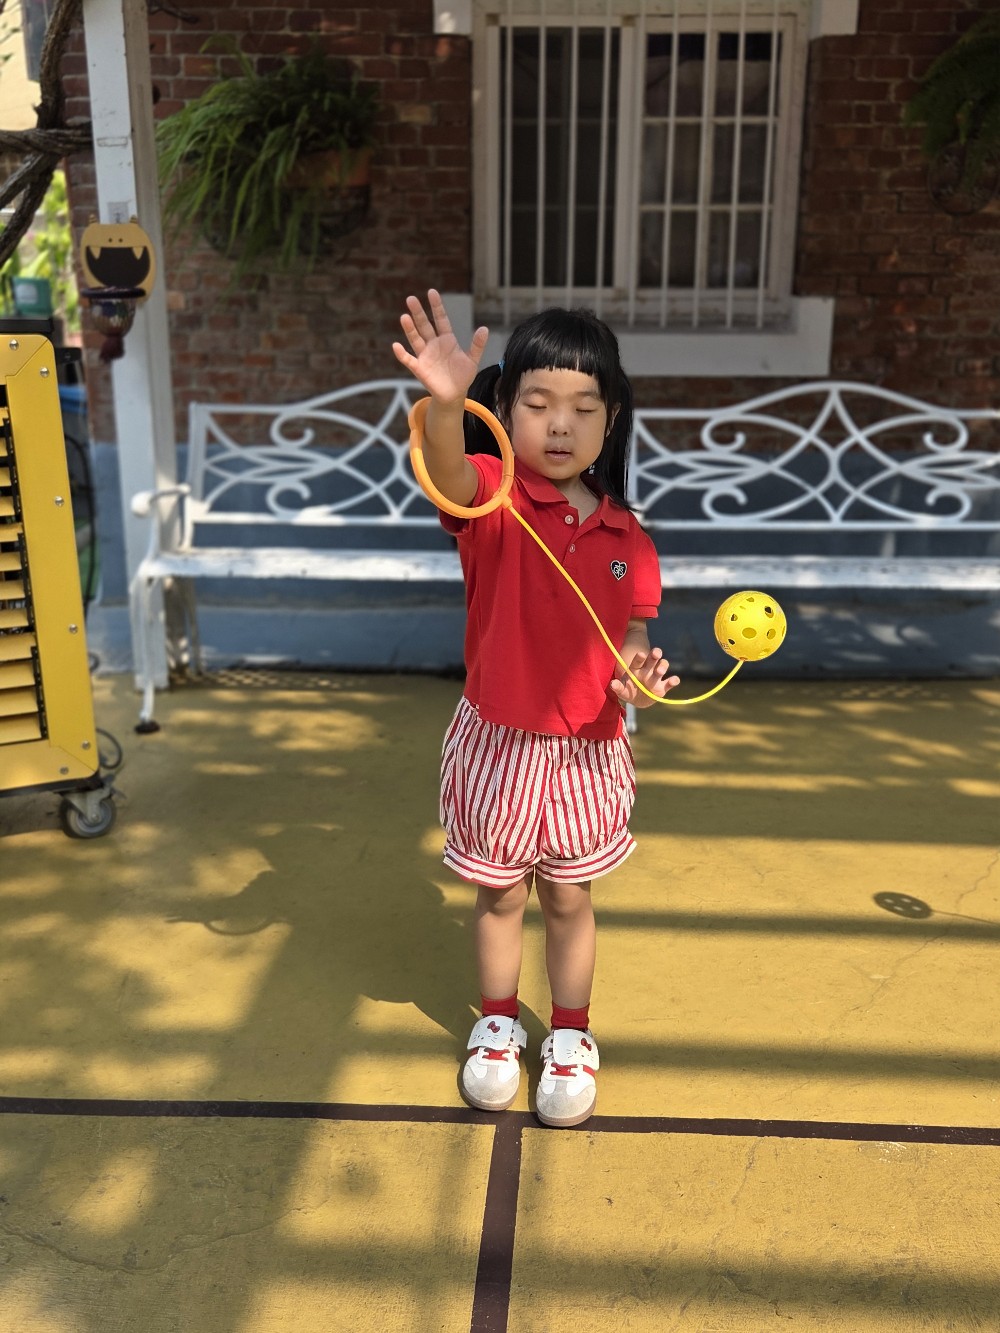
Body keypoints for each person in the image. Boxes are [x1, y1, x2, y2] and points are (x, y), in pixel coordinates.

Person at [392, 289, 679, 1128]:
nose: (561, 424)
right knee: (501, 896)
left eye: (584, 407)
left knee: (568, 898)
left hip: (589, 748)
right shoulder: (492, 499)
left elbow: (629, 642)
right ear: (505, 407)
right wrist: (448, 407)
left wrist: (638, 677)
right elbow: (449, 469)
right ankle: (495, 1024)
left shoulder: (630, 538)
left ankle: (572, 1033)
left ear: (611, 419)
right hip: (500, 742)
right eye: (540, 403)